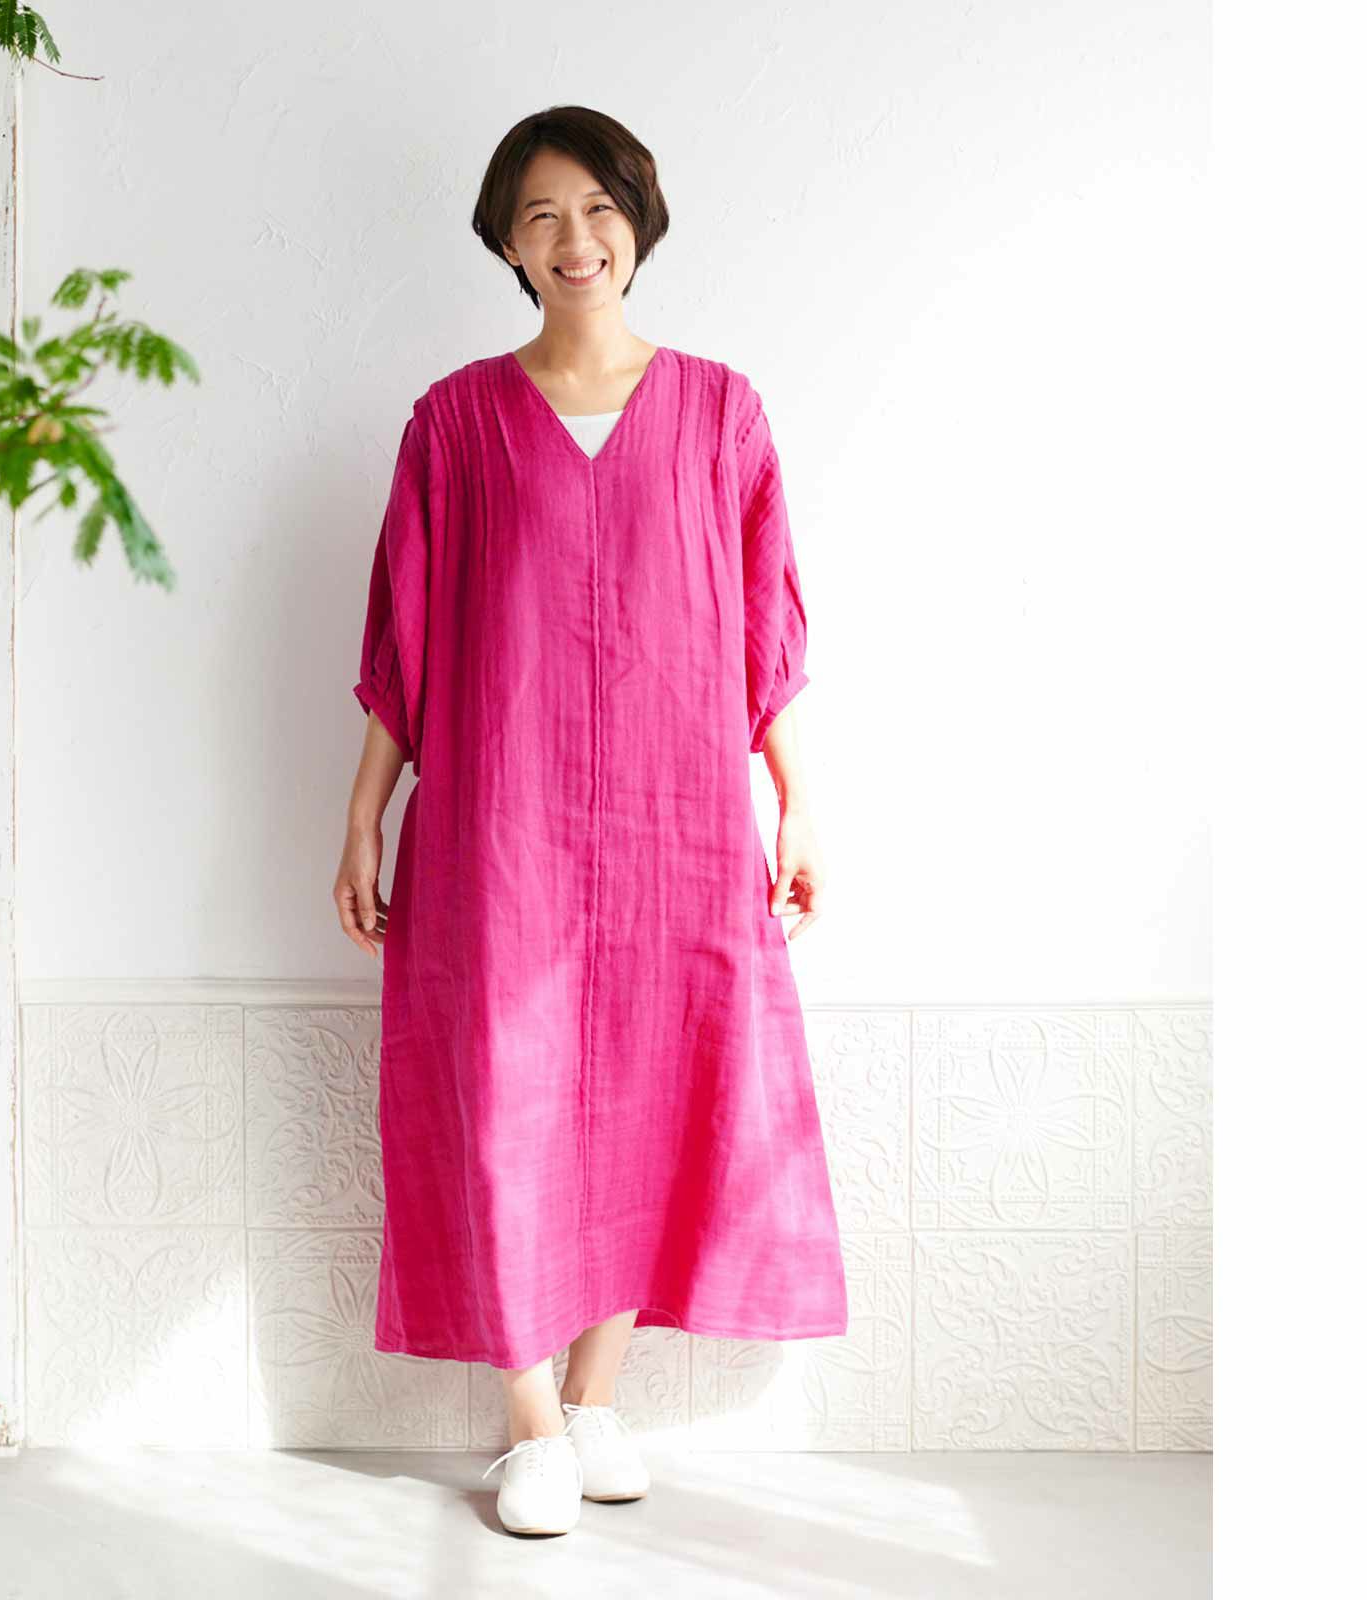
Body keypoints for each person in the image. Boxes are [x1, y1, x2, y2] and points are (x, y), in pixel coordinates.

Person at [333, 105, 847, 1538]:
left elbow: (762, 633)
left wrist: (798, 800)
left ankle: (596, 1396)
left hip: (681, 827)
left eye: (601, 208)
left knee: (651, 1086)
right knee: (500, 1099)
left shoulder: (723, 415)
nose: (578, 239)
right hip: (497, 830)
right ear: (507, 242)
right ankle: (527, 1427)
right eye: (544, 214)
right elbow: (404, 644)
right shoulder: (455, 425)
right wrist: (364, 815)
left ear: (641, 223)